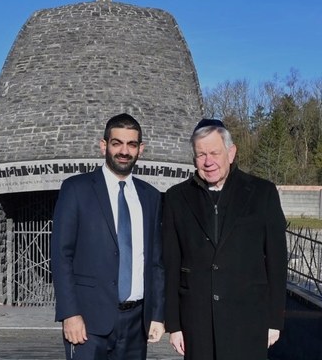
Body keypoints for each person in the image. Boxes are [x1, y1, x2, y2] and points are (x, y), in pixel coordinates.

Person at [162, 118, 287, 360]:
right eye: (201, 155)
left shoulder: (263, 193)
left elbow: (277, 261)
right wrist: (174, 325)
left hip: (249, 322)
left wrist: (275, 320)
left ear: (231, 153)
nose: (208, 162)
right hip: (196, 323)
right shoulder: (176, 198)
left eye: (214, 153)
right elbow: (171, 264)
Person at [51, 113, 165, 360]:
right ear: (104, 145)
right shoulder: (76, 189)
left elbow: (156, 262)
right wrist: (70, 313)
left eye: (131, 144)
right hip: (87, 323)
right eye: (117, 143)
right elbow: (61, 256)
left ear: (140, 149)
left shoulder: (151, 197)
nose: (124, 151)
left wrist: (157, 314)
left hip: (137, 323)